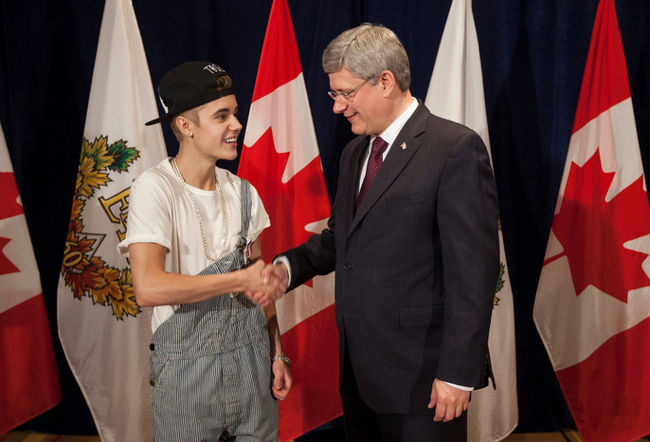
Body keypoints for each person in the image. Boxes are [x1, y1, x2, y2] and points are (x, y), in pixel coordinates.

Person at [256, 24, 499, 441]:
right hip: (361, 376)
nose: (338, 107)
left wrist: (457, 375)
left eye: (345, 93)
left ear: (385, 81)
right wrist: (287, 268)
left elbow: (474, 276)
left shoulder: (454, 148)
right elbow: (343, 238)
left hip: (425, 382)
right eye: (334, 95)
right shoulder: (355, 152)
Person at [118, 61, 292, 442]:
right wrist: (238, 279)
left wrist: (276, 353)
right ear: (186, 125)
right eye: (222, 116)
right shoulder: (155, 189)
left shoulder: (244, 193)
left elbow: (259, 287)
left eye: (236, 113)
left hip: (251, 368)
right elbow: (148, 287)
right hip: (185, 377)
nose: (237, 125)